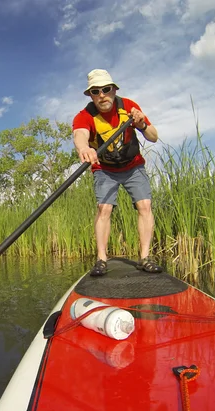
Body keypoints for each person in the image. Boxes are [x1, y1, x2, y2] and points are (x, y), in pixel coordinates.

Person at [72, 69, 162, 276]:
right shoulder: (84, 116)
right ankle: (102, 260)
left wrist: (142, 123)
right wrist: (84, 149)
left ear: (114, 90)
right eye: (96, 91)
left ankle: (145, 258)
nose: (102, 95)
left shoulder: (129, 107)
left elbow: (153, 137)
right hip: (104, 169)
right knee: (104, 209)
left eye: (106, 89)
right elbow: (80, 135)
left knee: (145, 205)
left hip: (133, 166)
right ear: (90, 95)